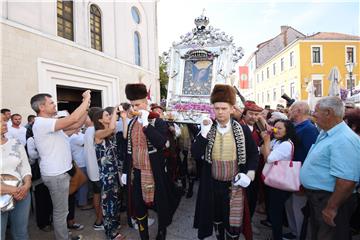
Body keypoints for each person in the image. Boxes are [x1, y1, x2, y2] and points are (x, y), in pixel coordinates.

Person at [192, 84, 259, 240]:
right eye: (217, 109)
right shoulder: (208, 129)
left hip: (233, 185)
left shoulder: (242, 130)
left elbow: (254, 154)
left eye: (223, 108)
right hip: (212, 184)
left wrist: (249, 175)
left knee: (233, 223)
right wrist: (203, 134)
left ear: (232, 109)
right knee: (216, 218)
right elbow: (195, 153)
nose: (220, 112)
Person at [122, 83, 179, 240]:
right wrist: (125, 171)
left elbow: (162, 143)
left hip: (156, 172)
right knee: (139, 207)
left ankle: (161, 231)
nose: (135, 108)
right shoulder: (133, 123)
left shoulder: (158, 122)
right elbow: (129, 149)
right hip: (137, 172)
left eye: (138, 104)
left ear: (146, 103)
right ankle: (144, 236)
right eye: (132, 105)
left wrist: (147, 125)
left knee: (161, 205)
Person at [30, 91, 90, 240]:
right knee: (60, 211)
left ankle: (64, 235)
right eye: (51, 102)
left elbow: (77, 123)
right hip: (56, 175)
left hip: (60, 173)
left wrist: (86, 106)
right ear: (41, 107)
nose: (54, 104)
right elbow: (74, 118)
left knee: (62, 210)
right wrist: (86, 99)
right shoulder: (43, 123)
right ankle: (63, 238)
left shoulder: (50, 125)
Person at [300, 97, 360, 240]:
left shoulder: (344, 139)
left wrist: (331, 207)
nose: (313, 114)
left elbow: (347, 180)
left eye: (316, 111)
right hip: (320, 198)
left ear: (328, 112)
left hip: (330, 199)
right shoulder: (327, 132)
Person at [284, 101, 319, 240]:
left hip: (300, 176)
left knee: (299, 208)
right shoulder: (297, 126)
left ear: (298, 111)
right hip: (291, 173)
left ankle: (300, 235)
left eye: (291, 110)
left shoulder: (309, 129)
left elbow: (311, 156)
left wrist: (304, 180)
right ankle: (294, 232)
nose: (289, 112)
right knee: (291, 205)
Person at [260, 119, 297, 240]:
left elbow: (268, 158)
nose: (276, 130)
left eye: (280, 128)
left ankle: (277, 237)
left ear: (287, 130)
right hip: (274, 180)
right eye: (275, 127)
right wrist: (267, 145)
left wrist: (266, 141)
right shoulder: (277, 141)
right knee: (273, 210)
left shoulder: (286, 144)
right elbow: (262, 150)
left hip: (280, 183)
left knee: (276, 212)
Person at [94, 107, 126, 240]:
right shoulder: (98, 133)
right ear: (100, 120)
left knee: (116, 201)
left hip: (115, 173)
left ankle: (115, 226)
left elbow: (124, 135)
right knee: (109, 204)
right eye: (107, 115)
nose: (110, 117)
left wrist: (123, 118)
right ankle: (111, 234)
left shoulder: (110, 133)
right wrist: (114, 110)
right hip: (106, 175)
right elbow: (111, 128)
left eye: (109, 115)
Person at [1, 116, 32, 240]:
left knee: (21, 233)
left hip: (22, 194)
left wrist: (26, 185)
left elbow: (25, 166)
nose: (4, 123)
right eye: (0, 121)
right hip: (7, 193)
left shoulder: (15, 142)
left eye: (4, 120)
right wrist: (14, 190)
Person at [83, 107, 104, 230]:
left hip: (92, 169)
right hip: (97, 170)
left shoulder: (89, 130)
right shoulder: (94, 130)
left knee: (97, 195)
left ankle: (99, 220)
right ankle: (99, 220)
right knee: (99, 196)